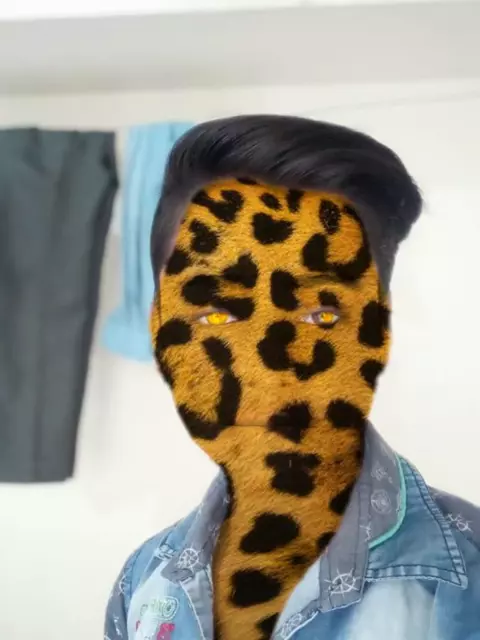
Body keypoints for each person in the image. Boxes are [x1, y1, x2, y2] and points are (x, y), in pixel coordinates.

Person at [105, 115, 480, 640]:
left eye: (319, 315)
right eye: (216, 314)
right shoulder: (144, 582)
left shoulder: (468, 573)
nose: (265, 366)